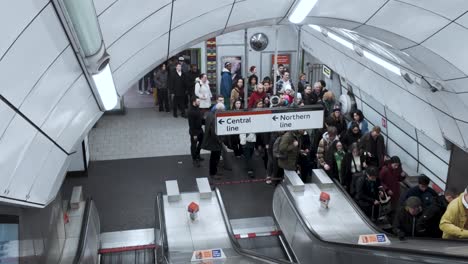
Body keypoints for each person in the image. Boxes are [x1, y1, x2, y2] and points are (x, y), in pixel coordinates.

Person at [201, 103, 225, 179]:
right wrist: (220, 141)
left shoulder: (210, 114)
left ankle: (214, 171)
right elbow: (215, 132)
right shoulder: (215, 118)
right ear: (219, 110)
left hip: (212, 140)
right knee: (215, 158)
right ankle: (213, 173)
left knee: (214, 157)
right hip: (215, 141)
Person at [188, 97, 204, 168]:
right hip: (194, 131)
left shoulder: (198, 108)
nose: (199, 102)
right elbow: (191, 124)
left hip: (200, 130)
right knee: (194, 145)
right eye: (198, 101)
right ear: (194, 102)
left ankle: (197, 155)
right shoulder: (191, 111)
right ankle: (194, 158)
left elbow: (201, 119)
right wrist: (194, 134)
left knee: (201, 142)